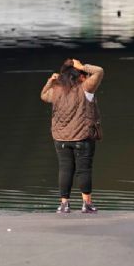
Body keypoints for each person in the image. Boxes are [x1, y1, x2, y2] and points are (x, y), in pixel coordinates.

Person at [40, 58, 104, 214]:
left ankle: (64, 205)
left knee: (65, 169)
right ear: (79, 74)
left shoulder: (56, 90)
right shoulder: (86, 88)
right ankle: (87, 204)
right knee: (84, 170)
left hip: (60, 138)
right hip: (82, 137)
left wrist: (50, 81)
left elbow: (43, 95)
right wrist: (83, 66)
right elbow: (99, 71)